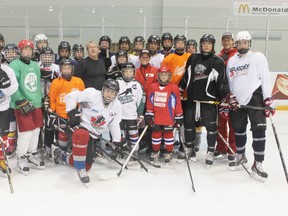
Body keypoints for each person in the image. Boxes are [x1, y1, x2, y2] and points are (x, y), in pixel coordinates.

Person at [179, 34, 238, 167]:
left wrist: (227, 95)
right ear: (200, 45)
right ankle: (190, 150)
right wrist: (180, 88)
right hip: (192, 101)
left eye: (209, 43)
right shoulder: (193, 58)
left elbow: (221, 82)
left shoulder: (217, 61)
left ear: (212, 46)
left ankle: (210, 151)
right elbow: (186, 76)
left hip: (209, 103)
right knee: (188, 126)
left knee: (211, 128)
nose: (206, 45)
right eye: (204, 43)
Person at [52, 79, 123, 183]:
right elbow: (71, 96)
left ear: (116, 94)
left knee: (88, 165)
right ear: (103, 90)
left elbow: (114, 123)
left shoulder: (117, 105)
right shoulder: (92, 94)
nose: (109, 95)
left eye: (113, 93)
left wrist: (117, 141)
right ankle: (80, 169)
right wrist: (71, 112)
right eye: (108, 91)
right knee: (82, 135)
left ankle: (61, 154)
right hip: (79, 126)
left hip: (94, 135)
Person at [226, 31, 275, 181]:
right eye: (240, 43)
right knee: (239, 129)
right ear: (236, 44)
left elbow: (265, 77)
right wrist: (230, 97)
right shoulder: (231, 61)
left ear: (249, 43)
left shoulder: (257, 57)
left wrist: (268, 98)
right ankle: (241, 155)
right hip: (238, 101)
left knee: (259, 131)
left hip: (256, 99)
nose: (242, 45)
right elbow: (229, 82)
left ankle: (258, 163)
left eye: (245, 42)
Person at [10, 39, 44, 175]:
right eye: (25, 49)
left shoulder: (35, 65)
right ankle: (21, 157)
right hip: (22, 104)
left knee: (36, 130)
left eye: (30, 49)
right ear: (20, 51)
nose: (28, 51)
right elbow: (12, 85)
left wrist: (40, 100)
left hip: (35, 103)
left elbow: (36, 85)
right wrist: (19, 100)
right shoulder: (15, 65)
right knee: (26, 132)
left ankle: (31, 153)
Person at [47, 59, 85, 157]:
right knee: (63, 133)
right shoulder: (56, 82)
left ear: (72, 69)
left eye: (69, 68)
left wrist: (81, 111)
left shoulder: (79, 81)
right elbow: (53, 99)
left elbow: (83, 97)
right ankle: (62, 151)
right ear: (61, 70)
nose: (67, 70)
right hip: (61, 114)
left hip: (75, 113)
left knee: (76, 133)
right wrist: (52, 113)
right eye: (64, 68)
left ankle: (74, 149)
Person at [145, 66, 183, 165]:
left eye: (166, 75)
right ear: (158, 76)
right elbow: (150, 101)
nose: (163, 77)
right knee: (156, 133)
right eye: (161, 75)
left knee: (168, 134)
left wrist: (179, 116)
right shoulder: (153, 86)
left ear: (169, 76)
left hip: (168, 116)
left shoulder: (174, 87)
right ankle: (155, 151)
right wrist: (149, 114)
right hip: (156, 116)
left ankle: (169, 152)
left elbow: (177, 103)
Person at [215, 32, 238, 161]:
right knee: (221, 123)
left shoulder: (237, 56)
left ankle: (232, 149)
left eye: (229, 40)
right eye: (224, 40)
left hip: (233, 94)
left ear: (233, 42)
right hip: (220, 94)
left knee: (233, 123)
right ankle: (221, 147)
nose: (226, 42)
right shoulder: (218, 57)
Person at [116, 62, 145, 156]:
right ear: (122, 72)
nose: (128, 73)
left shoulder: (137, 85)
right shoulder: (117, 82)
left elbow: (141, 100)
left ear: (134, 73)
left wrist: (140, 114)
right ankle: (118, 148)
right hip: (118, 115)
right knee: (118, 133)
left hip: (132, 115)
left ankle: (134, 151)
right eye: (126, 71)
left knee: (133, 133)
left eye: (130, 71)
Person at [135, 49, 158, 153]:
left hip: (152, 102)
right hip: (140, 103)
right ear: (139, 59)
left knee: (151, 125)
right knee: (140, 124)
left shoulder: (155, 70)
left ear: (149, 58)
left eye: (146, 57)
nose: (144, 59)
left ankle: (151, 146)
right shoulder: (135, 71)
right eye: (142, 57)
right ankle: (139, 145)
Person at [0, 54, 18, 177]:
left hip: (3, 107)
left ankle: (1, 160)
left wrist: (3, 86)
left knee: (3, 136)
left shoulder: (8, 70)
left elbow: (14, 87)